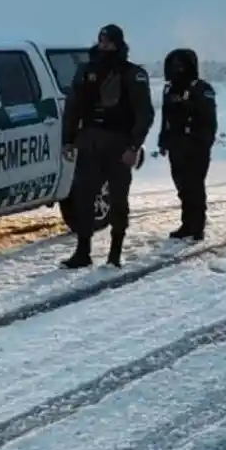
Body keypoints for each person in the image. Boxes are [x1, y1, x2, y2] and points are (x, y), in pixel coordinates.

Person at [60, 24, 155, 268]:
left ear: (118, 44)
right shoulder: (85, 71)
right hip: (89, 141)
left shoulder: (132, 74)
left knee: (118, 200)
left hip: (118, 143)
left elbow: (144, 113)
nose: (104, 46)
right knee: (83, 197)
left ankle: (115, 253)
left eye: (109, 42)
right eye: (102, 41)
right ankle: (83, 252)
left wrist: (134, 146)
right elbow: (72, 108)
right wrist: (68, 140)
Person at [158, 48, 218, 240]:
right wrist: (163, 140)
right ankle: (187, 223)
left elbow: (209, 121)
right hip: (176, 145)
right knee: (182, 186)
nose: (177, 69)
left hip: (196, 146)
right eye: (174, 65)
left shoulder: (202, 89)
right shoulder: (169, 90)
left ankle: (197, 225)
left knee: (195, 186)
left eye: (180, 65)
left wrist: (203, 142)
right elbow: (165, 117)